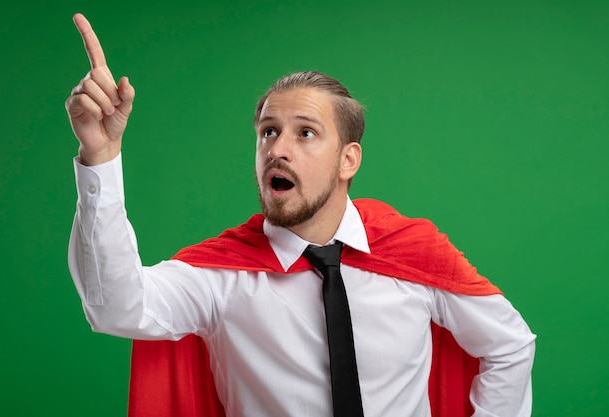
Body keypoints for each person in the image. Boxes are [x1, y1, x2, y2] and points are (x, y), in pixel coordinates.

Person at [66, 13, 536, 417]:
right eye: (268, 132)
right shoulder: (218, 277)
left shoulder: (411, 254)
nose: (279, 149)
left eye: (305, 133)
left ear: (348, 159)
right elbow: (115, 307)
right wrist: (101, 157)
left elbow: (510, 345)